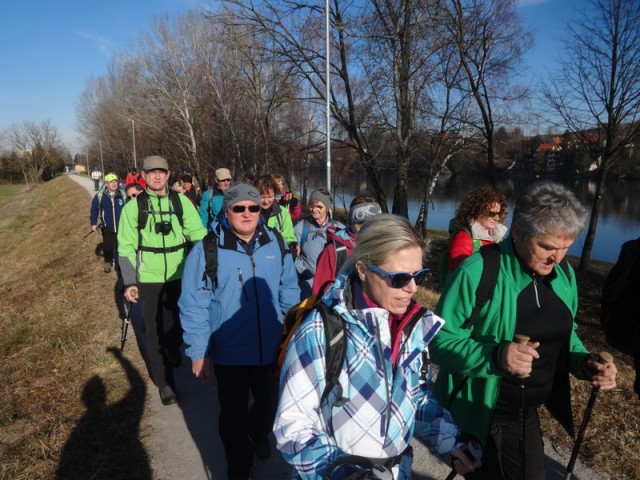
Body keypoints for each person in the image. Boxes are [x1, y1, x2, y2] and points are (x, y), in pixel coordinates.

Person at [430, 181, 618, 480]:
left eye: (566, 246)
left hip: (525, 413)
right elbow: (438, 341)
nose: (556, 258)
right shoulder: (477, 272)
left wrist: (585, 362)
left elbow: (565, 334)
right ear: (517, 231)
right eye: (546, 246)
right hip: (482, 412)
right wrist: (496, 356)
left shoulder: (563, 275)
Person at [274, 214, 481, 480]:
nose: (412, 288)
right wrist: (344, 473)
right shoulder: (320, 330)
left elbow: (415, 398)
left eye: (419, 275)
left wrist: (453, 443)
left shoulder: (412, 327)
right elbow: (293, 424)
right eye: (399, 278)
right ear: (363, 269)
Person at [179, 183, 300, 480]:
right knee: (232, 419)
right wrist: (199, 351)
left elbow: (290, 289)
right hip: (229, 353)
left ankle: (258, 434)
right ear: (227, 211)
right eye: (239, 208)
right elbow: (193, 304)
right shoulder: (207, 249)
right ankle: (239, 468)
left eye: (253, 207)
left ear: (261, 210)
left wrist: (292, 332)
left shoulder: (275, 242)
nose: (247, 213)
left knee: (270, 405)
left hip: (271, 349)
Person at [118, 155, 207, 406]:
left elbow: (198, 234)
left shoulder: (181, 202)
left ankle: (172, 343)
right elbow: (125, 248)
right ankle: (165, 383)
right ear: (143, 177)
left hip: (180, 273)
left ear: (168, 175)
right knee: (153, 330)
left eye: (161, 172)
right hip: (148, 277)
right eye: (151, 172)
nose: (157, 176)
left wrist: (209, 261)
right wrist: (130, 281)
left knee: (187, 321)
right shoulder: (133, 208)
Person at [311, 195, 382, 296]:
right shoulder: (335, 251)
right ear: (351, 223)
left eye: (373, 223)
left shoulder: (384, 247)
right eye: (361, 223)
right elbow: (320, 291)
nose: (368, 228)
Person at [438, 188, 508, 284]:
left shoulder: (497, 237)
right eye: (492, 213)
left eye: (499, 213)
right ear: (476, 211)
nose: (497, 218)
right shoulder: (464, 237)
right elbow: (460, 273)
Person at [294, 188, 345, 297]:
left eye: (319, 207)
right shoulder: (301, 227)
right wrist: (303, 272)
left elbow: (347, 256)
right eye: (311, 206)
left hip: (332, 285)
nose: (314, 209)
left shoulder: (339, 228)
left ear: (327, 208)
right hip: (307, 285)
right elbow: (292, 256)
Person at [89, 173, 126, 273]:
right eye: (111, 182)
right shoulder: (100, 196)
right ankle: (108, 262)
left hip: (122, 227)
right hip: (107, 227)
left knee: (121, 247)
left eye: (115, 182)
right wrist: (93, 223)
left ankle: (119, 266)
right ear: (106, 184)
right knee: (108, 247)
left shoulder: (123, 194)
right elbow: (94, 210)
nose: (114, 184)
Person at [254, 175, 297, 247]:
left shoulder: (282, 212)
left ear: (275, 195)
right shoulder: (250, 212)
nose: (266, 201)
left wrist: (292, 245)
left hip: (277, 252)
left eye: (270, 197)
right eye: (262, 197)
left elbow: (289, 236)